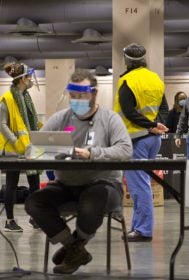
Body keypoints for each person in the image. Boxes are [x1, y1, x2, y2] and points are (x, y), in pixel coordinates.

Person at [25, 69, 133, 274]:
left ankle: (72, 248)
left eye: (81, 96)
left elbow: (125, 150)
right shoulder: (61, 118)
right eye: (72, 96)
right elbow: (34, 147)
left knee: (93, 199)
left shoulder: (110, 119)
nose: (76, 100)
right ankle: (74, 249)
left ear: (93, 94)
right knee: (34, 202)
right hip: (66, 185)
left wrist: (91, 153)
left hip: (104, 185)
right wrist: (50, 152)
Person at [114, 43, 169, 242]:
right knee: (141, 184)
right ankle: (137, 227)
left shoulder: (127, 81)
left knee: (139, 187)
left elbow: (129, 112)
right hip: (152, 140)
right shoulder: (156, 79)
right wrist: (157, 125)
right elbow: (164, 107)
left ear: (127, 60)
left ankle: (143, 230)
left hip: (136, 140)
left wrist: (150, 125)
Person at [0, 62, 41, 232]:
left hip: (29, 148)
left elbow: (28, 122)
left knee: (35, 182)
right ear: (22, 79)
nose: (31, 80)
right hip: (13, 149)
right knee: (11, 184)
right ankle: (9, 221)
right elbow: (2, 124)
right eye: (29, 77)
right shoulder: (7, 99)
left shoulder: (26, 97)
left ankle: (35, 217)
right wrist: (16, 142)